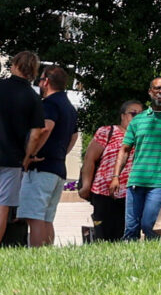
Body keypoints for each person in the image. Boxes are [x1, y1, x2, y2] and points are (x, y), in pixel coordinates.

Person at [17, 63, 78, 246]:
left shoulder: (50, 104)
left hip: (41, 168)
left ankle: (36, 255)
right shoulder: (69, 106)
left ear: (47, 82)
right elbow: (74, 136)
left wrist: (30, 155)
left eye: (41, 79)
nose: (39, 83)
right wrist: (60, 153)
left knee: (34, 217)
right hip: (58, 167)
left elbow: (45, 128)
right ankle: (46, 255)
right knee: (46, 217)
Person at [121, 75, 161, 240]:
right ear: (150, 92)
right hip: (136, 179)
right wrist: (115, 176)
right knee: (131, 227)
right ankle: (129, 256)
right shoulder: (138, 120)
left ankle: (152, 254)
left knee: (149, 224)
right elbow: (125, 149)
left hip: (160, 181)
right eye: (157, 88)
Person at [80, 101, 139, 243]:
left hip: (130, 193)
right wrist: (86, 185)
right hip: (104, 191)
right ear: (123, 116)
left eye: (140, 115)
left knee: (123, 234)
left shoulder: (142, 137)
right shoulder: (107, 131)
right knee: (102, 233)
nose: (136, 118)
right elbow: (90, 159)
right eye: (133, 114)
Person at [0, 49, 40, 243]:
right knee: (2, 205)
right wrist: (27, 157)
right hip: (12, 158)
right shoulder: (33, 97)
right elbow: (36, 134)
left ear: (14, 65)